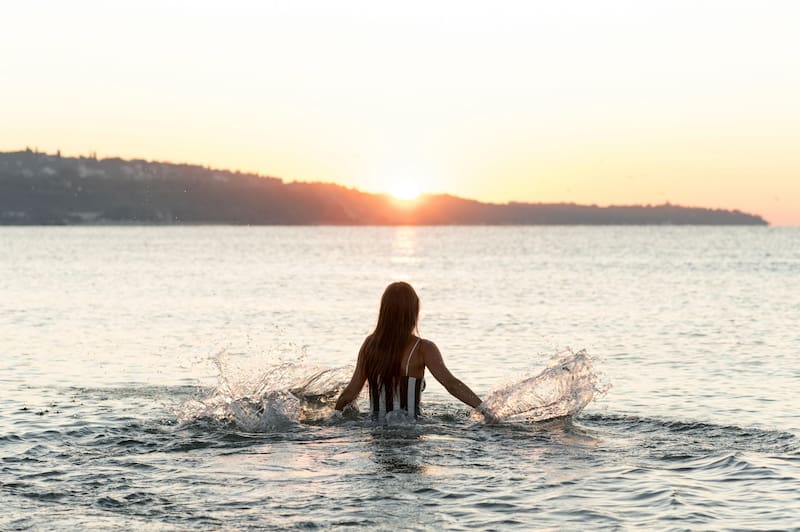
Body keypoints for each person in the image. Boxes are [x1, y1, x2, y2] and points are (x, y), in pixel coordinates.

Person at [333, 281, 495, 422]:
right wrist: (485, 411)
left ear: (384, 311)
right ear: (414, 310)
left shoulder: (370, 344)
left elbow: (351, 392)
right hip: (410, 427)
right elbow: (451, 384)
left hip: (374, 427)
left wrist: (335, 415)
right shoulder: (423, 348)